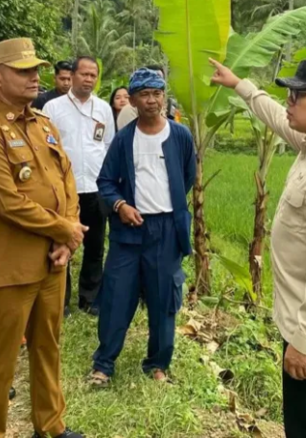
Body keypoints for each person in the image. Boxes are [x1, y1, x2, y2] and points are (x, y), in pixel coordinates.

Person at [210, 58, 306, 438]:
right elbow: (278, 120)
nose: (289, 101)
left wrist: (303, 341)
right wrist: (241, 86)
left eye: (298, 94)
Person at [0, 38, 88, 438]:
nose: (35, 77)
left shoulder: (44, 124)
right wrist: (64, 229)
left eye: (36, 70)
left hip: (51, 261)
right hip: (6, 268)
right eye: (23, 71)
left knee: (48, 347)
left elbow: (66, 181)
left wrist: (67, 238)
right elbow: (8, 202)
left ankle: (50, 426)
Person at [89, 68, 196, 386]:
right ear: (132, 101)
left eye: (157, 94)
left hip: (166, 230)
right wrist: (121, 206)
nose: (152, 101)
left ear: (164, 96)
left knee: (164, 299)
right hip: (129, 231)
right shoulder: (125, 139)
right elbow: (106, 181)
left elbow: (186, 177)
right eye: (144, 95)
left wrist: (167, 208)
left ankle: (158, 363)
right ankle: (104, 364)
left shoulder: (180, 136)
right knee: (116, 296)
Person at [43, 56, 115, 316]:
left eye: (93, 75)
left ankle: (90, 298)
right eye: (84, 74)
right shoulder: (53, 108)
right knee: (62, 243)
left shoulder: (103, 108)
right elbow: (46, 148)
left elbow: (108, 145)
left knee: (95, 246)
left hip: (95, 188)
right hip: (64, 190)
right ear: (71, 76)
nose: (88, 79)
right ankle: (60, 300)